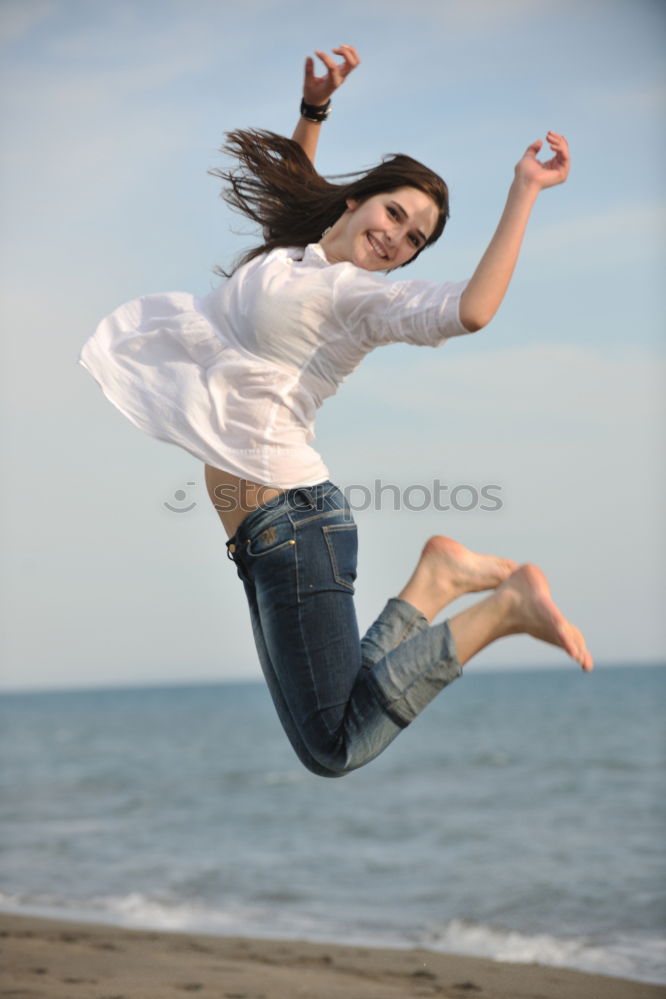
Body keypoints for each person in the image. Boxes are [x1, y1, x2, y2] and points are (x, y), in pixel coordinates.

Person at [79, 46, 593, 778]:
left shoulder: (358, 297)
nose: (397, 236)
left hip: (295, 526)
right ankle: (436, 581)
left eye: (414, 238)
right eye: (396, 212)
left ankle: (503, 609)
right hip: (266, 538)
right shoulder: (294, 259)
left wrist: (525, 190)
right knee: (334, 720)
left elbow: (474, 311)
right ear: (356, 200)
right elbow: (296, 185)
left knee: (333, 746)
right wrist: (316, 108)